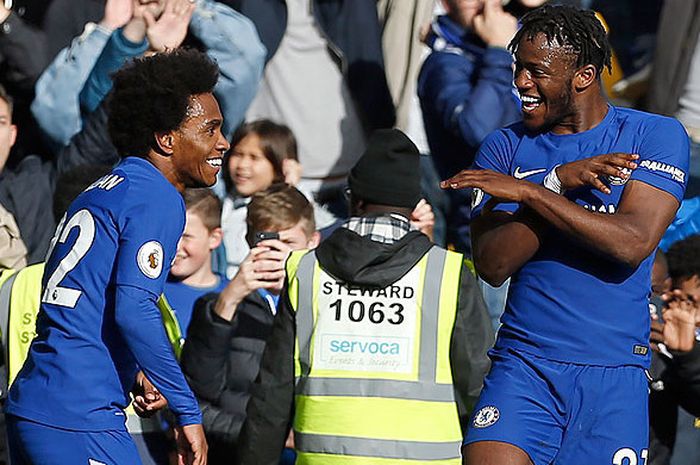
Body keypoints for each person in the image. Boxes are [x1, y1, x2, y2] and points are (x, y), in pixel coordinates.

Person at [441, 5, 688, 465]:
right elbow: (493, 265)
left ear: (584, 75)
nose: (520, 83)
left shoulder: (651, 135)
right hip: (523, 366)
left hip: (612, 376)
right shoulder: (504, 146)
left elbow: (632, 242)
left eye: (537, 71)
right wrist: (554, 182)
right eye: (518, 69)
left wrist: (532, 195)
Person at [5, 48, 230, 465]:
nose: (223, 142)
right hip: (78, 418)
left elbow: (92, 303)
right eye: (210, 129)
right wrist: (186, 409)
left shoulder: (103, 188)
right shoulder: (156, 196)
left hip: (36, 404)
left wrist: (135, 366)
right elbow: (133, 308)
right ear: (166, 138)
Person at [237, 128, 494, 465]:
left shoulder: (305, 270)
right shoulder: (446, 273)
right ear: (412, 205)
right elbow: (478, 387)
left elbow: (272, 395)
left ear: (354, 198)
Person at [181, 183, 319, 465]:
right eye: (268, 243)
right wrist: (229, 300)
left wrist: (299, 288)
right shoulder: (217, 307)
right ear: (249, 242)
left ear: (313, 242)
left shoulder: (328, 306)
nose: (278, 255)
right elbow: (197, 398)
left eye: (289, 244)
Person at [221, 119, 301, 277]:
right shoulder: (221, 203)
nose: (242, 165)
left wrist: (290, 190)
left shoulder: (298, 213)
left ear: (279, 166)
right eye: (238, 154)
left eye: (254, 158)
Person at [164, 188, 228, 335]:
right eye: (171, 234)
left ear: (214, 238)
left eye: (186, 236)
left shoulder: (232, 296)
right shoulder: (153, 291)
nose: (176, 246)